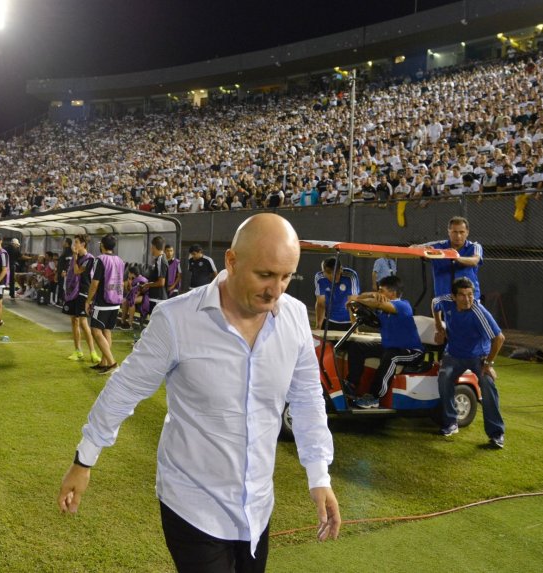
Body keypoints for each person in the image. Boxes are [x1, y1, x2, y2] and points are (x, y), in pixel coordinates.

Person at [58, 213, 341, 572]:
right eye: (265, 275)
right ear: (232, 261)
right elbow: (125, 388)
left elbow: (306, 399)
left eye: (286, 277)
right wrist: (84, 460)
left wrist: (319, 476)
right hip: (192, 503)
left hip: (257, 506)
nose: (276, 290)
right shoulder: (177, 319)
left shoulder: (295, 318)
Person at [433, 277, 506, 447]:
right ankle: (451, 422)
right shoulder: (446, 301)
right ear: (453, 296)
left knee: (487, 386)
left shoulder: (478, 312)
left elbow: (499, 338)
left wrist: (488, 364)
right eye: (462, 295)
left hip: (478, 357)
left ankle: (496, 434)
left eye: (470, 295)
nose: (467, 299)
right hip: (453, 354)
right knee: (444, 378)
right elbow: (435, 302)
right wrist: (439, 327)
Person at [345, 275, 424, 408]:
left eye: (381, 291)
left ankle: (374, 396)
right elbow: (370, 299)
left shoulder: (403, 306)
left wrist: (357, 299)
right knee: (358, 346)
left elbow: (376, 303)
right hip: (390, 347)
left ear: (392, 293)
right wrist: (371, 295)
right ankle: (352, 384)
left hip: (412, 351)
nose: (378, 294)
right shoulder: (383, 308)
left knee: (391, 357)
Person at [86, 233, 125, 375]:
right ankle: (104, 363)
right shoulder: (120, 260)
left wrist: (88, 300)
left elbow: (95, 283)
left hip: (103, 302)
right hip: (116, 301)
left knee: (96, 331)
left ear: (102, 245)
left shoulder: (100, 260)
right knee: (107, 331)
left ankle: (112, 363)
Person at [419, 216, 483, 301]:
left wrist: (455, 256)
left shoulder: (475, 247)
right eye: (454, 232)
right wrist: (423, 250)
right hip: (444, 299)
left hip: (469, 300)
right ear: (449, 232)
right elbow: (413, 247)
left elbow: (475, 261)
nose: (458, 235)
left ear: (467, 232)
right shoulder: (438, 246)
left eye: (462, 232)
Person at [62, 234, 101, 364]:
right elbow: (72, 271)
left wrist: (74, 256)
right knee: (74, 321)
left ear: (83, 244)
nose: (75, 245)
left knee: (84, 323)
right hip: (72, 291)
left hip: (82, 293)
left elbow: (78, 271)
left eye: (77, 242)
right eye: (74, 242)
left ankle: (93, 352)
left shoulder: (89, 259)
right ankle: (78, 351)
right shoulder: (76, 257)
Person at [314, 257, 360, 331]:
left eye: (336, 274)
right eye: (329, 274)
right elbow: (320, 304)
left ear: (341, 269)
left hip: (348, 322)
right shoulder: (320, 277)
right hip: (328, 321)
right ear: (324, 272)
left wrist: (355, 329)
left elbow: (353, 304)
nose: (333, 277)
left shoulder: (351, 276)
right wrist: (318, 326)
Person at [141, 235, 169, 305]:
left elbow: (161, 283)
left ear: (154, 247)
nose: (151, 249)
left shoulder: (161, 260)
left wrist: (147, 285)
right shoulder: (159, 259)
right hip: (155, 298)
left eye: (151, 247)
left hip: (158, 299)